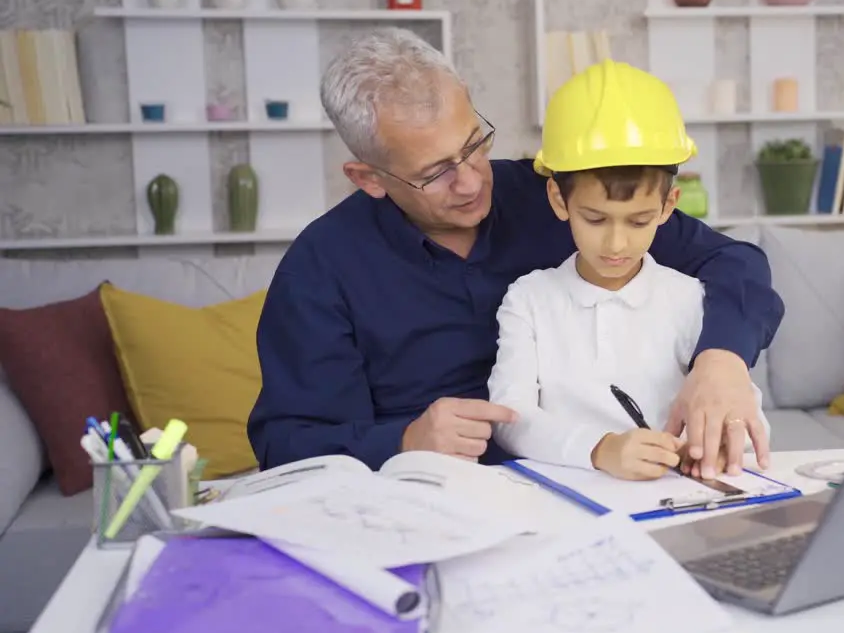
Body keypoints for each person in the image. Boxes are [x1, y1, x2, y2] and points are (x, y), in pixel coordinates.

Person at [246, 28, 784, 478]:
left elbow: (735, 262)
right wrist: (404, 439)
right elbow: (288, 443)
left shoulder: (560, 195)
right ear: (369, 179)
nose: (469, 182)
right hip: (432, 498)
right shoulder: (321, 267)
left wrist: (722, 359)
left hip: (590, 482)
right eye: (435, 172)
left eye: (475, 144)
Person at [488, 60, 770, 480]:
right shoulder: (528, 300)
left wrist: (720, 438)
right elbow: (509, 418)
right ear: (558, 200)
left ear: (668, 206)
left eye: (639, 221)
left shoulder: (691, 299)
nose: (617, 244)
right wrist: (600, 449)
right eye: (596, 220)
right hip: (564, 501)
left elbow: (746, 418)